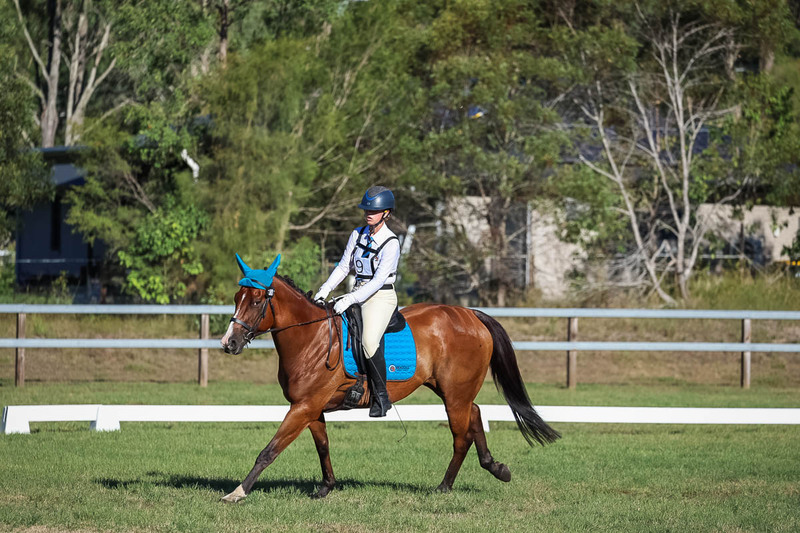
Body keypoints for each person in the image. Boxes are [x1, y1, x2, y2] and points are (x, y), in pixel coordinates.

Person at [313, 185, 400, 417]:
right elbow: (344, 266)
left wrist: (349, 298)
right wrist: (325, 289)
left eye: (374, 210)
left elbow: (378, 280)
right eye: (366, 210)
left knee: (369, 341)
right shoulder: (357, 234)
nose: (368, 213)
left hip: (380, 296)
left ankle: (381, 397)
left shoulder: (391, 242)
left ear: (386, 213)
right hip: (358, 291)